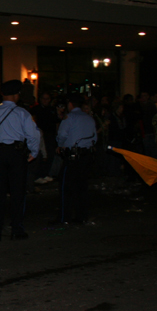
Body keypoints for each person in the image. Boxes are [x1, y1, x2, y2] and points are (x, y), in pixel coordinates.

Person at [0, 80, 41, 241]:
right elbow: (33, 135)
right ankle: (17, 229)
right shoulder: (22, 113)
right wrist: (34, 151)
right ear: (16, 95)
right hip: (17, 154)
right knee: (17, 193)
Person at [53, 94, 97, 225]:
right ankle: (81, 216)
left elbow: (62, 134)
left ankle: (64, 217)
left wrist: (60, 145)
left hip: (73, 156)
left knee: (66, 187)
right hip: (86, 156)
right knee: (82, 187)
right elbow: (94, 138)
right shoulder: (89, 118)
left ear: (70, 104)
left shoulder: (70, 117)